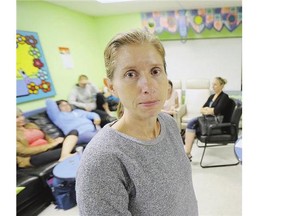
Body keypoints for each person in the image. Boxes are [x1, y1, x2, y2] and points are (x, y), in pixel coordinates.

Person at [76, 29, 198, 215]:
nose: (148, 86)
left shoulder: (169, 124)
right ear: (111, 87)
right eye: (131, 74)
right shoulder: (102, 160)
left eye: (155, 71)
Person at [184, 77, 230, 161]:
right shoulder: (212, 96)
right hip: (207, 119)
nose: (213, 86)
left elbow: (216, 111)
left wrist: (208, 110)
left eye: (215, 84)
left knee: (191, 123)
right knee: (192, 124)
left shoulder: (224, 97)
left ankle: (187, 153)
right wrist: (208, 110)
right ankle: (187, 153)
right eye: (213, 84)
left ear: (222, 86)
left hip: (215, 123)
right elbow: (202, 108)